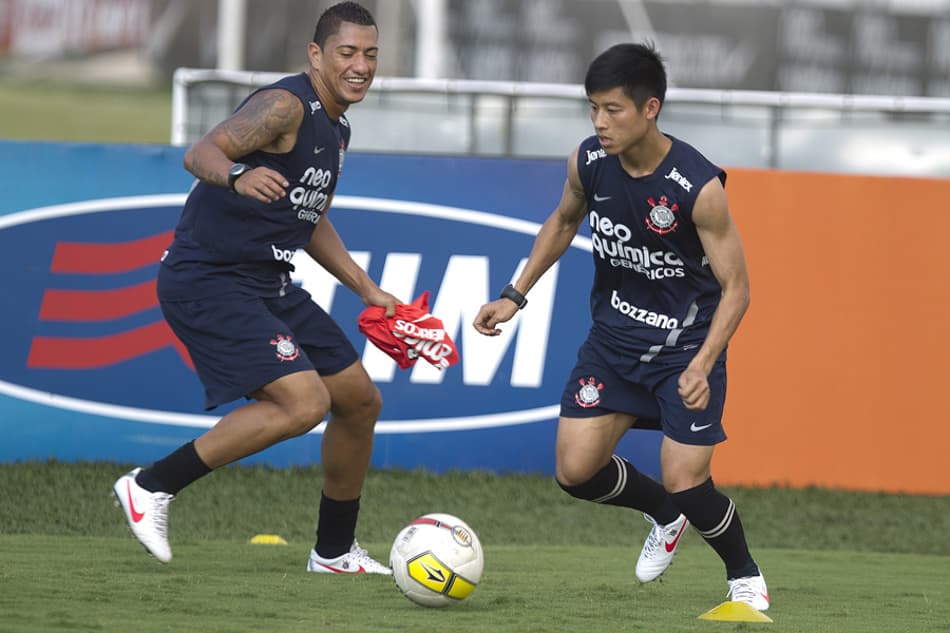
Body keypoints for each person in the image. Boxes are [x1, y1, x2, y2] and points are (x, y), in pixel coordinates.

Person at [473, 43, 769, 610]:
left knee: (688, 480)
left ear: (650, 108)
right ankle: (663, 514)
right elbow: (563, 222)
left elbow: (738, 288)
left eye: (613, 110)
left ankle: (744, 574)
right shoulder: (589, 161)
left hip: (685, 349)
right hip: (613, 342)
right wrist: (514, 295)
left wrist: (704, 364)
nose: (599, 122)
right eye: (593, 108)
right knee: (575, 471)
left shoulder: (697, 186)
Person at [113, 1, 394, 575]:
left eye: (370, 54)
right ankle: (151, 485)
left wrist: (366, 288)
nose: (360, 65)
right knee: (304, 403)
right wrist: (239, 175)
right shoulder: (285, 105)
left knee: (360, 401)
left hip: (268, 282)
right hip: (209, 279)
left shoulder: (338, 127)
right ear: (316, 55)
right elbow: (200, 152)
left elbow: (309, 218)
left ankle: (334, 553)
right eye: (347, 52)